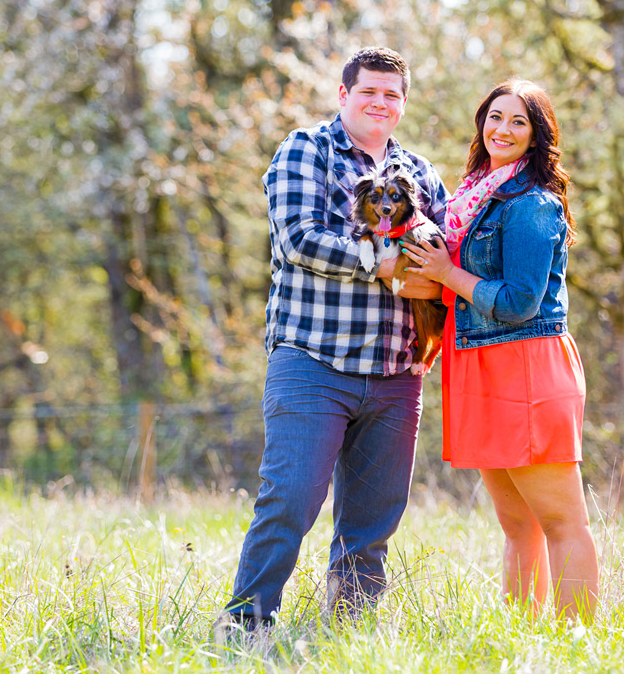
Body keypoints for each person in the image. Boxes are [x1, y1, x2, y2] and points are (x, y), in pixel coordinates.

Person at [218, 47, 448, 631]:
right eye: (368, 91)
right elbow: (299, 239)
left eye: (391, 94)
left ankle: (350, 637)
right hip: (312, 362)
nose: (380, 102)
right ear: (344, 95)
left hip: (396, 374)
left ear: (403, 103)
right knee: (289, 501)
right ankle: (245, 626)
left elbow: (446, 251)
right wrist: (383, 262)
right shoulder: (306, 149)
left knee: (373, 521)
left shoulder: (420, 174)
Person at [402, 79, 598, 622]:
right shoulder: (474, 194)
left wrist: (448, 272)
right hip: (477, 365)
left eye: (518, 122)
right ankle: (520, 637)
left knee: (561, 522)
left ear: (537, 136)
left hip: (526, 366)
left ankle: (577, 644)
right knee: (517, 526)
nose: (502, 130)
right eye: (495, 117)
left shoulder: (532, 203)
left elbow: (519, 302)